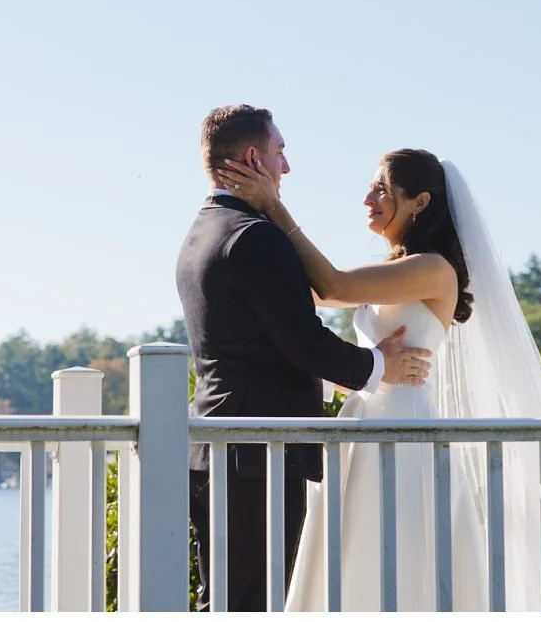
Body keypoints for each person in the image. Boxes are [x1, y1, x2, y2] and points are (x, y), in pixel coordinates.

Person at [218, 148, 541, 612]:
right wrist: (361, 370)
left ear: (419, 202)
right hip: (364, 430)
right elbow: (319, 293)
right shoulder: (399, 267)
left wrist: (273, 206)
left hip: (404, 435)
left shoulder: (432, 269)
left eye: (381, 189)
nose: (367, 198)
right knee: (352, 558)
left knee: (397, 558)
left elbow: (330, 287)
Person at [176, 105, 433, 613]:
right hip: (257, 453)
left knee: (226, 598)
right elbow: (302, 341)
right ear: (254, 157)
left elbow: (262, 346)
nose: (286, 166)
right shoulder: (254, 236)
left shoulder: (201, 231)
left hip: (218, 445)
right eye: (280, 152)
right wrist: (379, 367)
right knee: (256, 601)